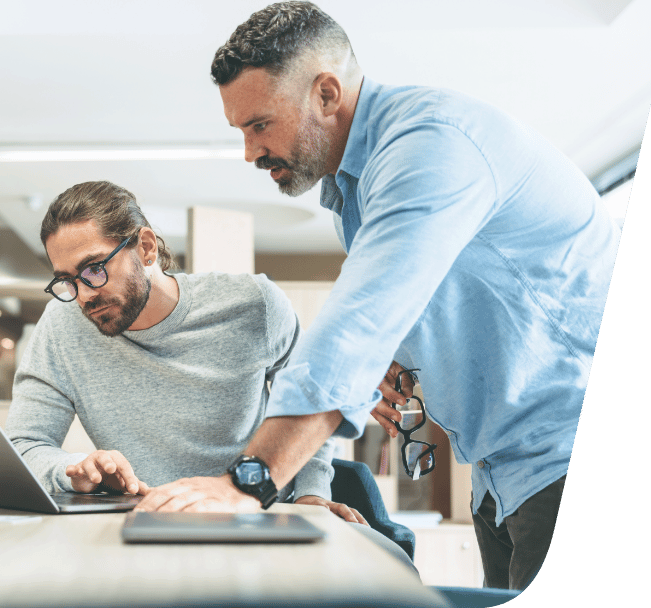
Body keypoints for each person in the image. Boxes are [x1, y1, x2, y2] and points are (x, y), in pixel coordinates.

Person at [136, 1, 618, 591]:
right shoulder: (353, 190)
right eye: (241, 131)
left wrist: (247, 483)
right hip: (504, 477)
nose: (250, 152)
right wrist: (402, 364)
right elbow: (412, 310)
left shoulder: (431, 145)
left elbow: (358, 324)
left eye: (260, 124)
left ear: (327, 94)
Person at [3, 180, 415, 560]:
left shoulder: (254, 305)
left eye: (94, 269)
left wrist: (311, 494)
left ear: (145, 248)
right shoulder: (60, 326)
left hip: (257, 518)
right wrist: (71, 470)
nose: (83, 296)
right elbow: (24, 445)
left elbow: (312, 404)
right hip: (143, 528)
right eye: (67, 281)